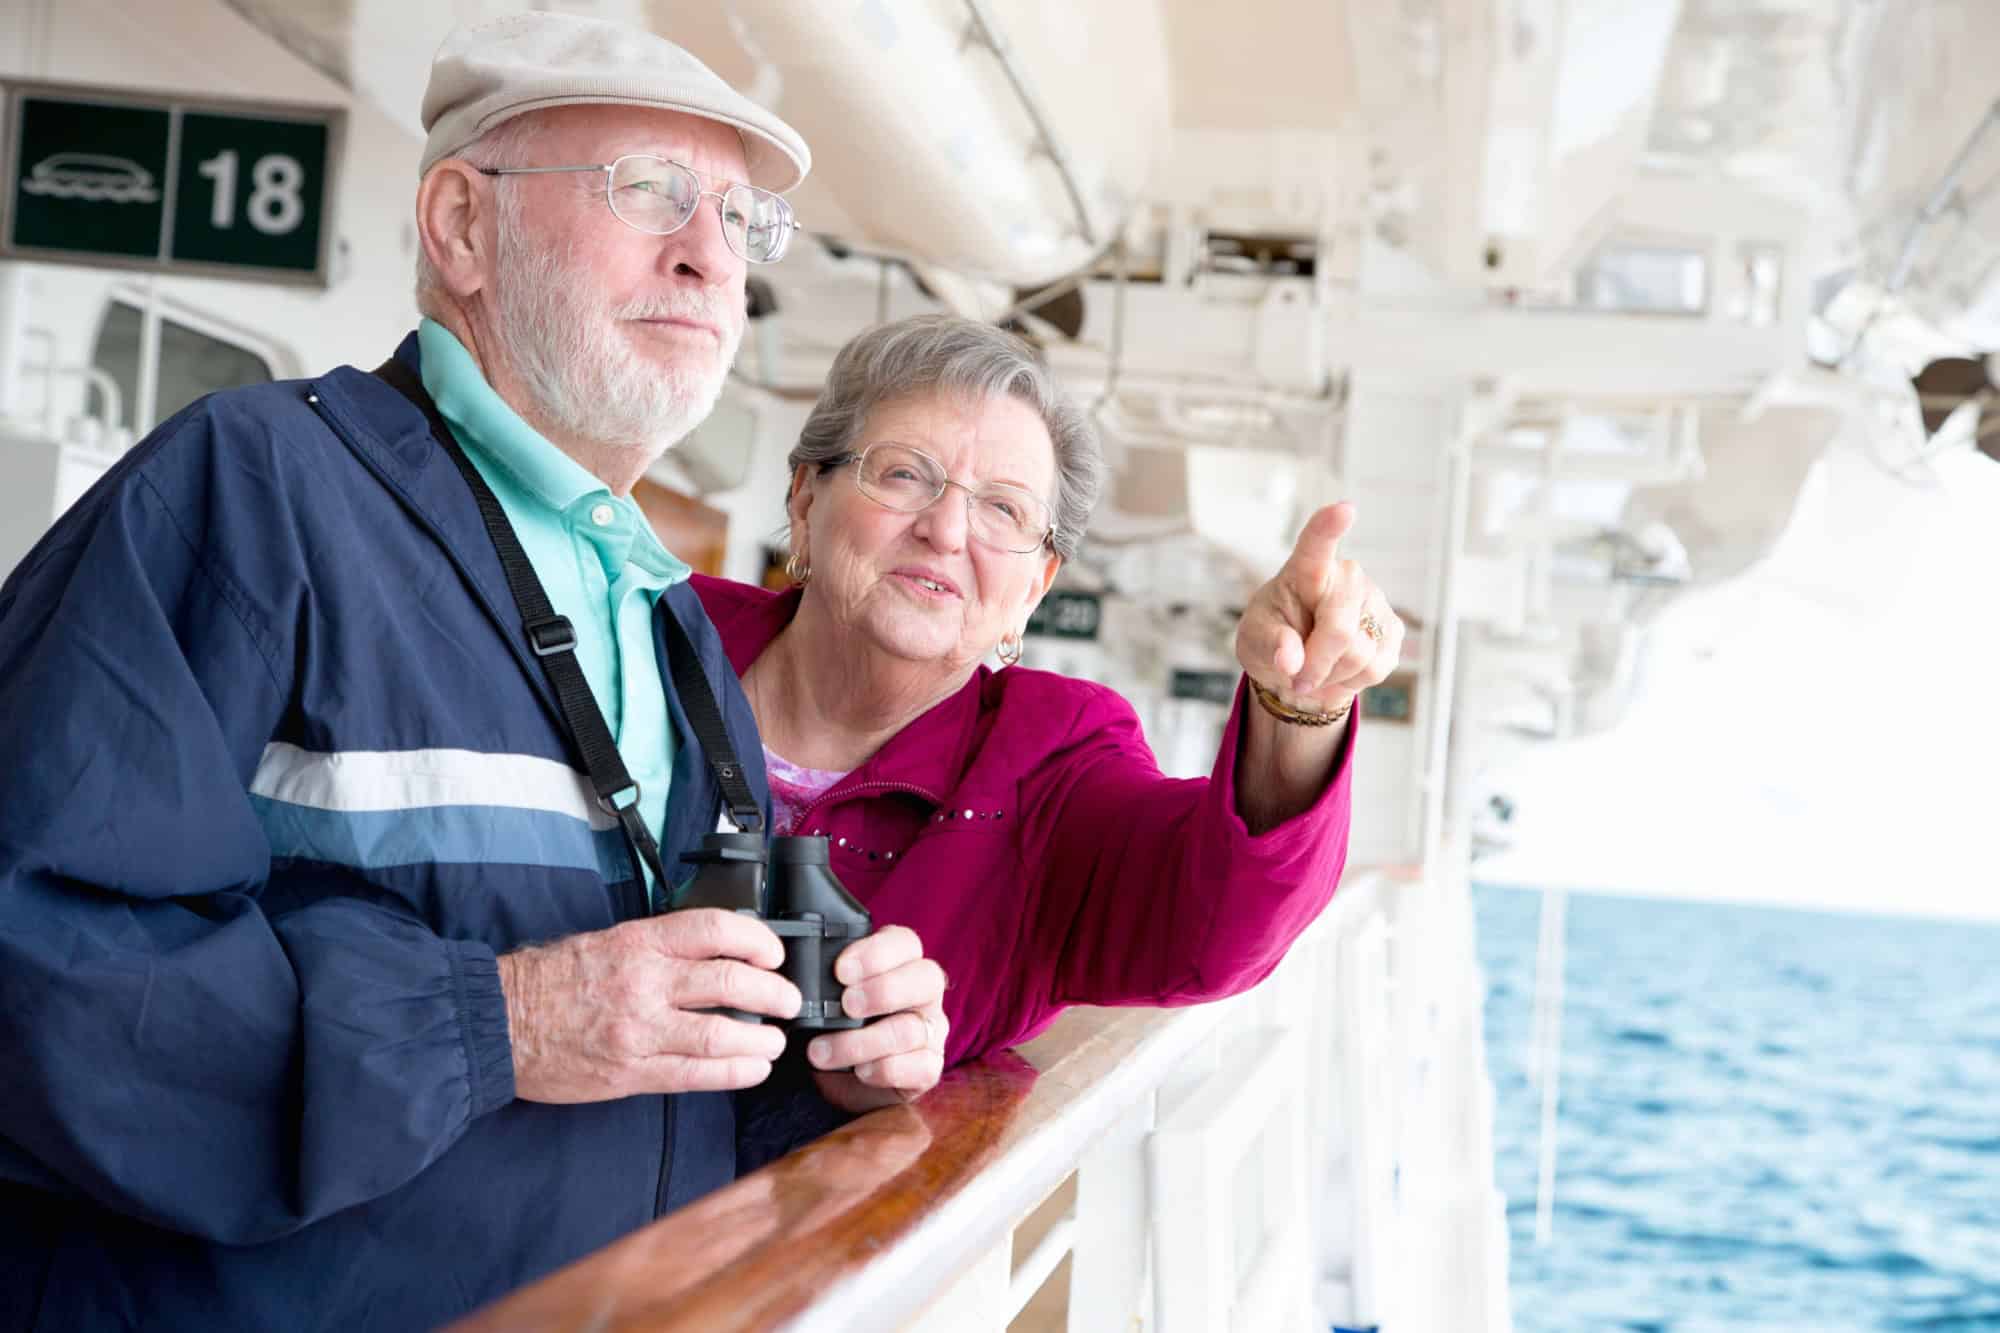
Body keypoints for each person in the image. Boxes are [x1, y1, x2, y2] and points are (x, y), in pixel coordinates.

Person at [0, 15, 943, 1331]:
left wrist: (832, 1061)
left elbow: (667, 1067)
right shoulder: (256, 489)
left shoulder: (662, 612)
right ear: (460, 227)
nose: (707, 255)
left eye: (739, 220)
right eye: (651, 193)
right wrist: (497, 1022)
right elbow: (42, 966)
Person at [695, 315, 1404, 1068]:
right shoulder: (652, 628)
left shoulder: (1050, 763)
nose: (946, 529)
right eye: (905, 473)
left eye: (1003, 509)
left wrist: (1299, 703)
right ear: (805, 501)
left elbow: (1216, 927)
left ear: (1037, 585)